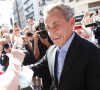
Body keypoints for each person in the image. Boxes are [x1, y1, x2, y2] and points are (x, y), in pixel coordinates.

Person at [28, 2, 100, 90]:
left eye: (56, 25)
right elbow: (35, 69)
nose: (51, 33)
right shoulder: (51, 51)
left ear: (71, 22)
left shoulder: (92, 52)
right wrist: (13, 68)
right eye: (48, 27)